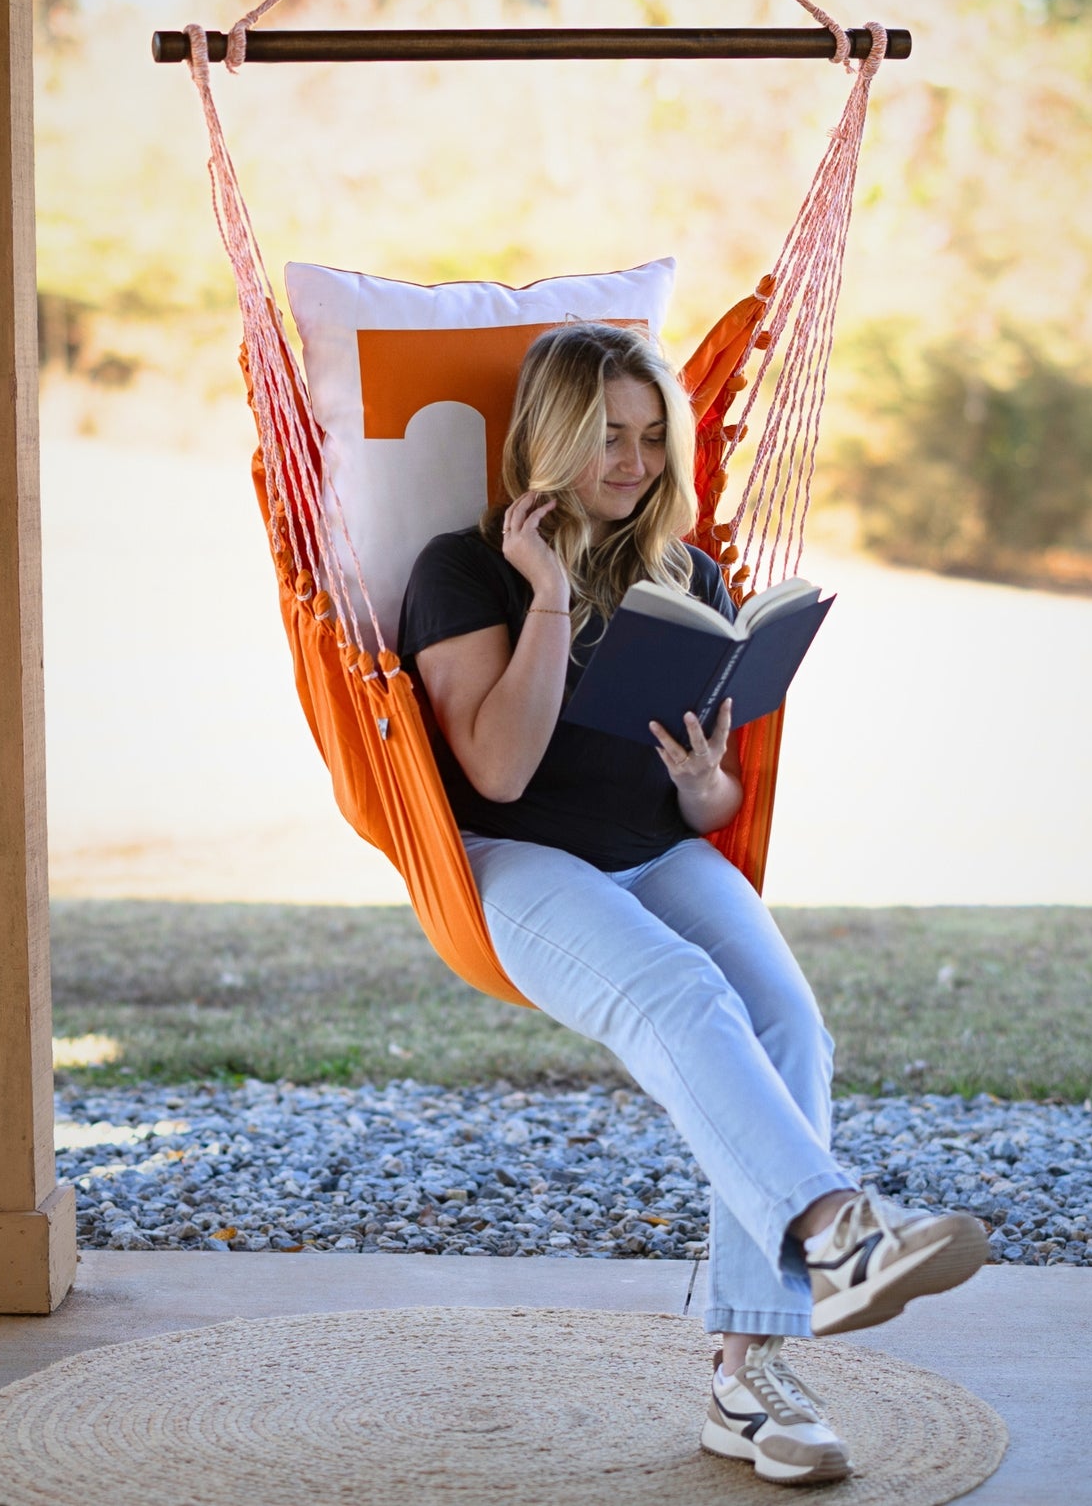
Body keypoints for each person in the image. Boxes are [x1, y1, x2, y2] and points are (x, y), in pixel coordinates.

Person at [398, 321, 986, 1487]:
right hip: (518, 864)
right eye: (607, 436)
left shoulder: (690, 577)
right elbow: (498, 774)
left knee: (786, 1025)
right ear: (547, 437)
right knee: (679, 990)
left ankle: (746, 1380)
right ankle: (837, 1230)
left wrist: (704, 779)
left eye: (652, 437)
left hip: (654, 846)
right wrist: (550, 602)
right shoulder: (459, 573)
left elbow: (712, 800)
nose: (634, 462)